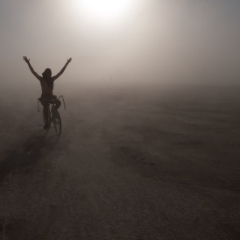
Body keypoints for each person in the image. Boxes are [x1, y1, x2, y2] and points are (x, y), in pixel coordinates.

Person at [23, 56, 72, 129]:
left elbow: (61, 72)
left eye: (50, 72)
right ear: (45, 73)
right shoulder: (41, 79)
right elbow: (33, 72)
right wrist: (28, 63)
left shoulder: (52, 79)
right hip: (44, 97)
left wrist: (67, 63)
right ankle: (46, 123)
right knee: (46, 106)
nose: (50, 73)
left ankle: (54, 113)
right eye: (48, 72)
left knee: (58, 103)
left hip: (51, 97)